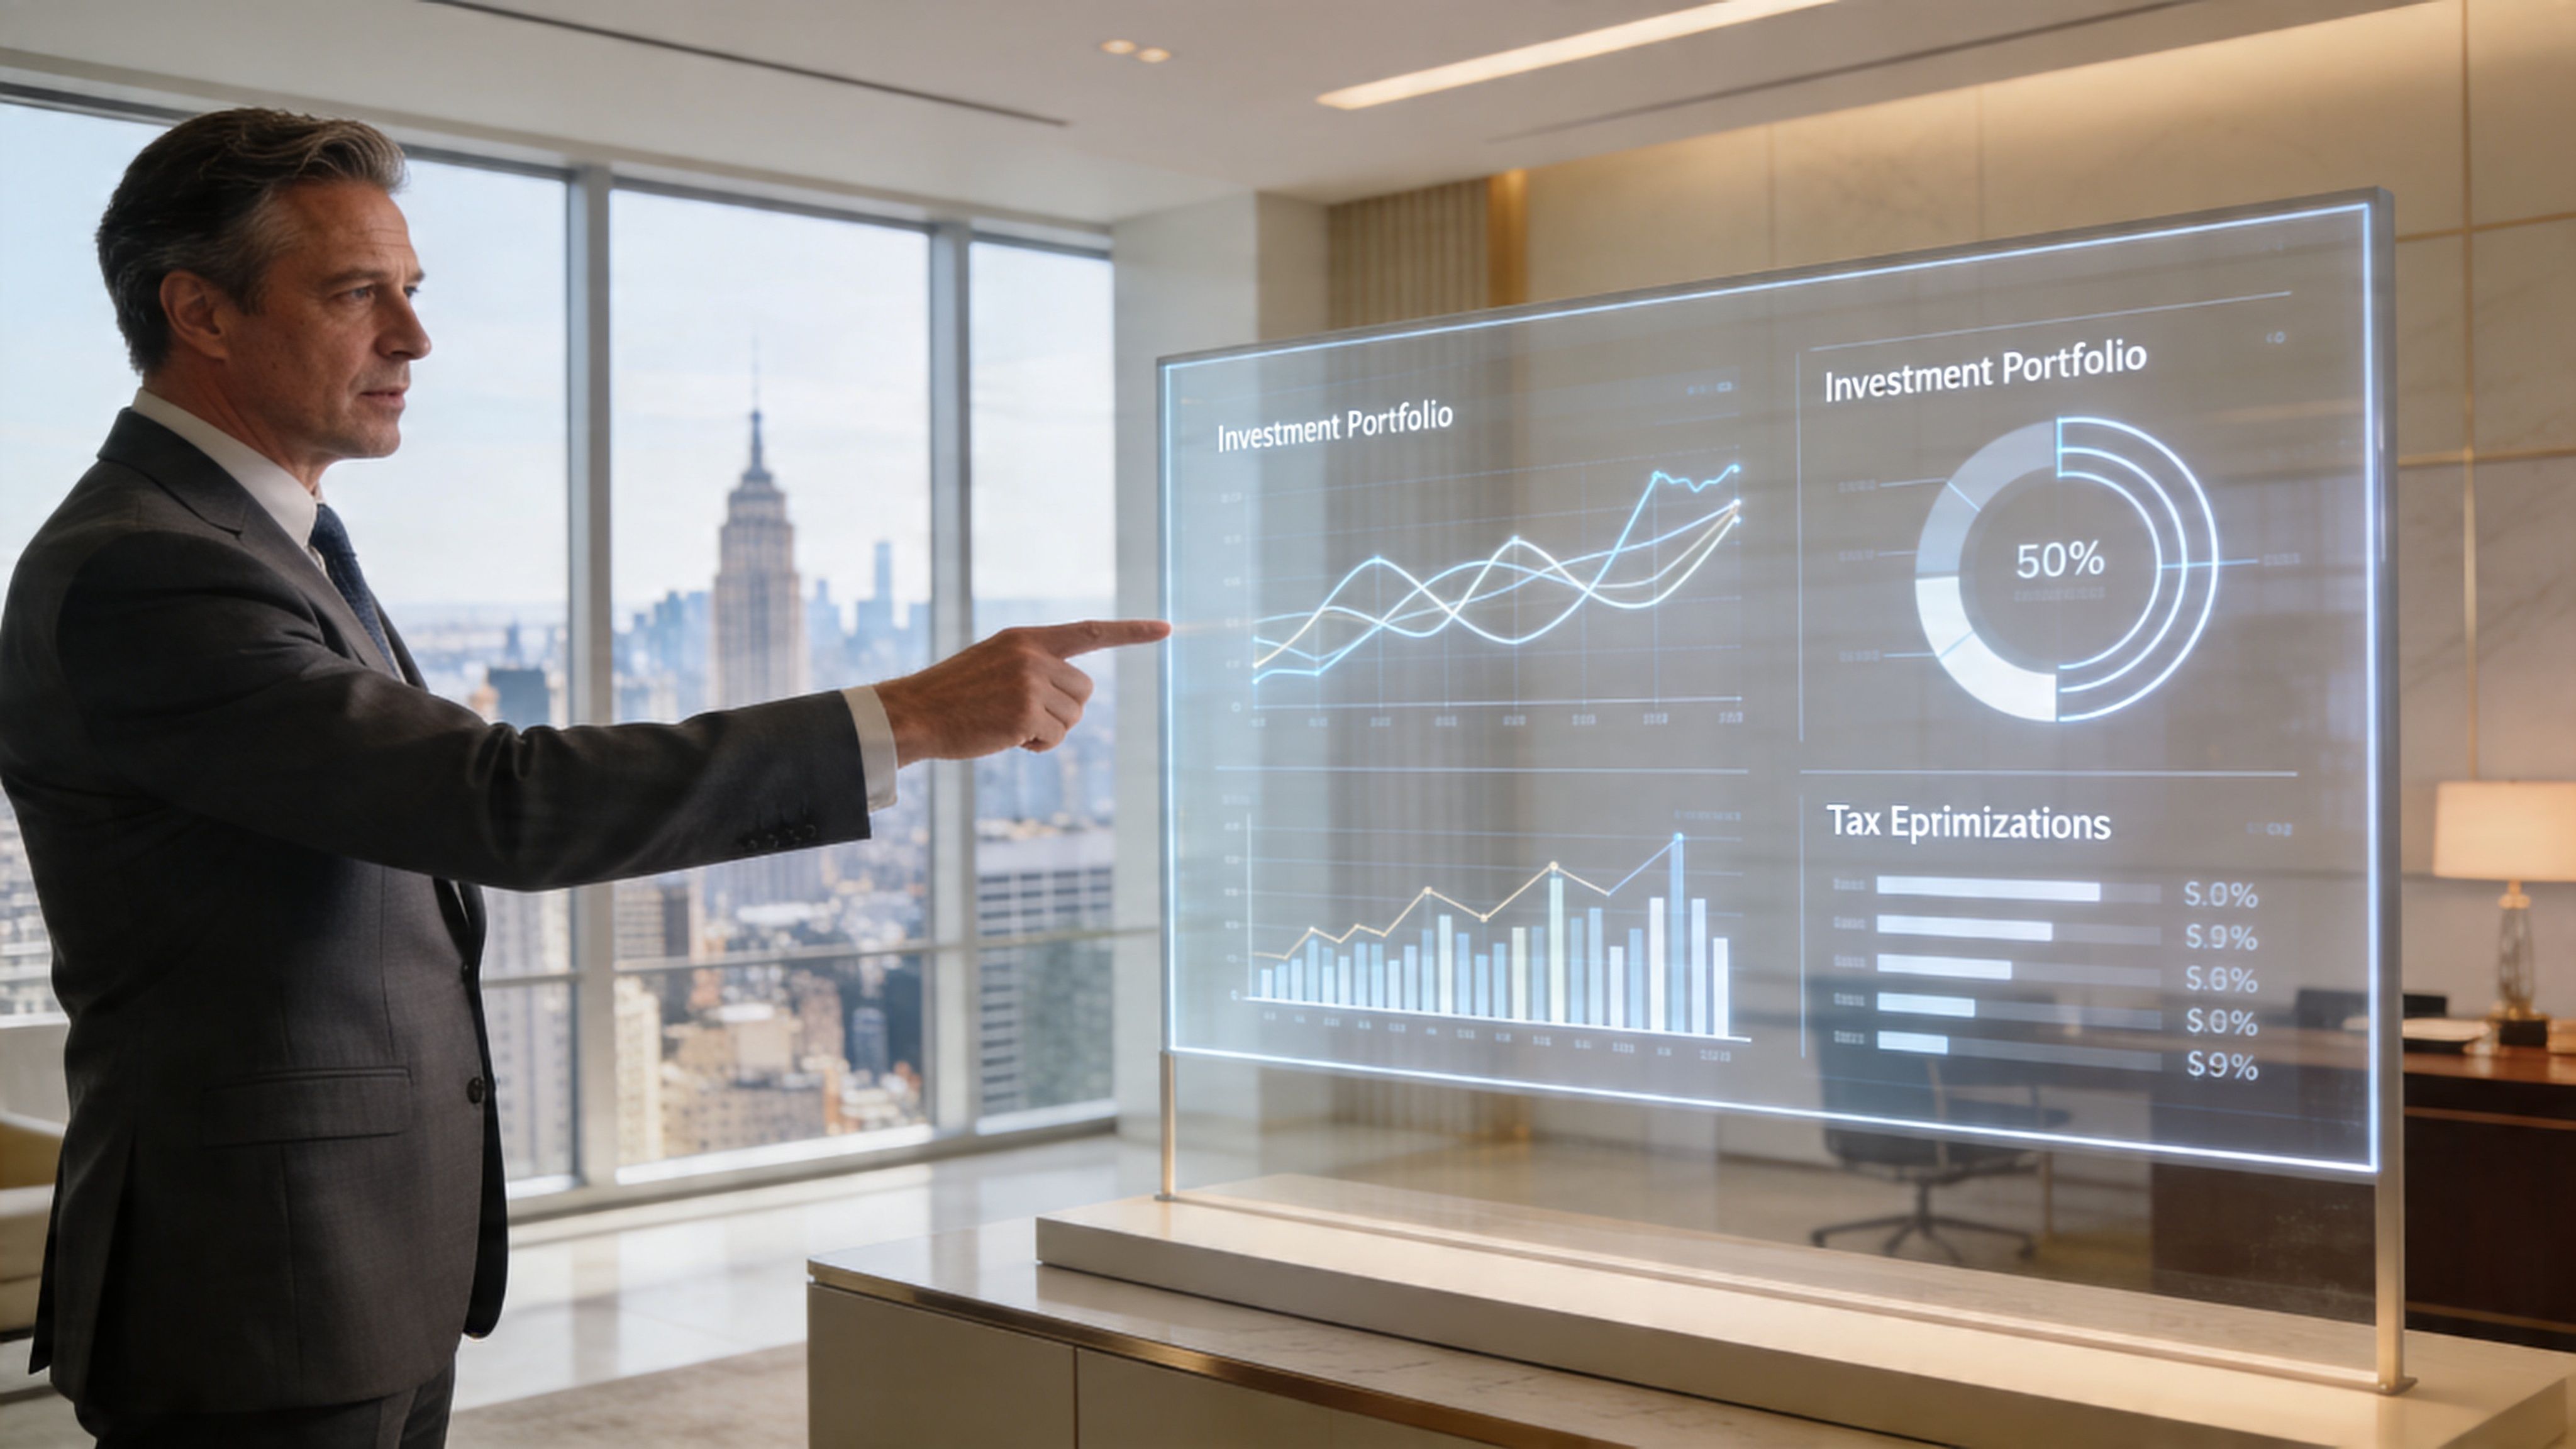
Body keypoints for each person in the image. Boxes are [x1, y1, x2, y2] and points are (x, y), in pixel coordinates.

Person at [0, 107, 1164, 1447]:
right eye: (355, 294)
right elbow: (498, 801)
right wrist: (901, 713)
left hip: (345, 1264)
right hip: (254, 1279)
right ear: (199, 312)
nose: (414, 339)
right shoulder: (152, 566)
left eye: (412, 292)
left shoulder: (269, 542)